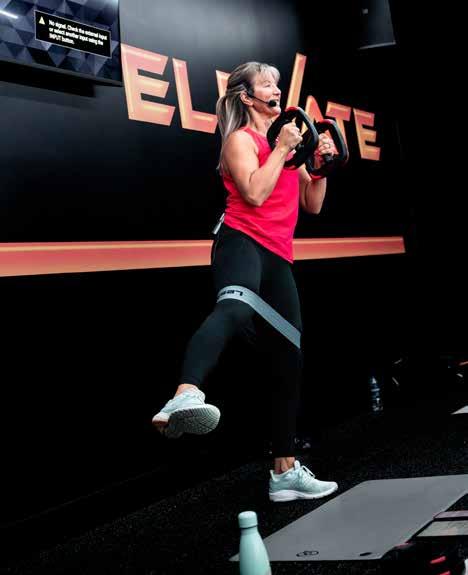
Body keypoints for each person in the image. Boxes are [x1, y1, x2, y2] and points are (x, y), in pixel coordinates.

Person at [153, 61, 338, 502]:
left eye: (277, 84)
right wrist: (281, 149)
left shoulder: (289, 147)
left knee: (289, 356)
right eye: (266, 84)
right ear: (246, 96)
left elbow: (312, 204)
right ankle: (184, 395)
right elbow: (254, 193)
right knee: (234, 308)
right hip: (241, 242)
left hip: (278, 256)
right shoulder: (240, 139)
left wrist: (319, 166)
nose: (275, 90)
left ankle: (284, 471)